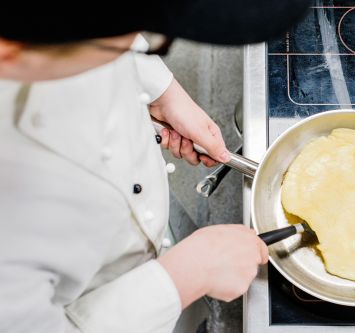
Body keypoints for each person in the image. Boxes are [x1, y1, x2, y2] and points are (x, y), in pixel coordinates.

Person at [0, 1, 309, 332]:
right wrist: (186, 277)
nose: (138, 41)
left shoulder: (52, 33)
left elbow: (105, 25)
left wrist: (161, 92)